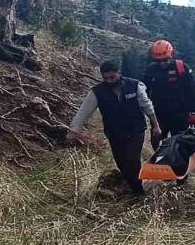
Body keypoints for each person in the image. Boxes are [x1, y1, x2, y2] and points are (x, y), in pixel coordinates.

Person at [68, 61, 162, 195]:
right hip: (114, 133)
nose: (109, 81)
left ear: (119, 73)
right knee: (121, 162)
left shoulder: (135, 85)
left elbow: (147, 106)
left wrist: (155, 125)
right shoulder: (97, 92)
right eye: (105, 78)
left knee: (132, 159)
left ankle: (138, 191)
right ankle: (129, 184)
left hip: (136, 130)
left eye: (112, 77)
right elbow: (84, 112)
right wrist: (74, 131)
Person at [142, 40, 195, 149]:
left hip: (180, 114)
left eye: (165, 60)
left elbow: (191, 91)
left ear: (171, 55)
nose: (162, 64)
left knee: (180, 144)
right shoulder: (151, 70)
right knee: (157, 143)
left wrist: (193, 112)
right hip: (159, 114)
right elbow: (145, 91)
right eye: (158, 61)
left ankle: (179, 165)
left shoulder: (181, 68)